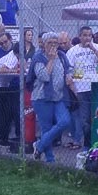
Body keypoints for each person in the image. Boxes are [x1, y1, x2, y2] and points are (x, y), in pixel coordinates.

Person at [30, 32, 75, 163]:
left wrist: (69, 75)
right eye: (50, 43)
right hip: (42, 98)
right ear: (43, 44)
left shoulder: (61, 55)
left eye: (55, 43)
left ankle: (39, 145)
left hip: (58, 97)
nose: (53, 45)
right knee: (46, 128)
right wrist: (50, 59)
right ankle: (50, 160)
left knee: (65, 121)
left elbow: (69, 68)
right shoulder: (38, 58)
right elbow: (44, 76)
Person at [66, 26, 98, 150]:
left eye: (90, 35)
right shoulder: (73, 51)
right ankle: (87, 145)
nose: (87, 38)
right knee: (85, 119)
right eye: (84, 35)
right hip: (81, 89)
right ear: (80, 36)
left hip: (97, 88)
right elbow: (69, 71)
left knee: (97, 116)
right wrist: (74, 89)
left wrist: (93, 48)